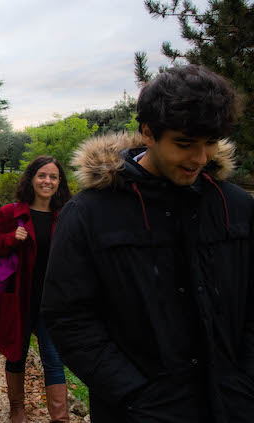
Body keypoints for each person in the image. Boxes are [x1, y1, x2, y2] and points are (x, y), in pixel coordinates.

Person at [41, 65, 254, 422]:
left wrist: (245, 381)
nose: (200, 159)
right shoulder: (89, 214)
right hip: (137, 412)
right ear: (148, 133)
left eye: (210, 143)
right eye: (185, 144)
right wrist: (133, 394)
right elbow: (68, 317)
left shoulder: (237, 206)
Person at [0, 156, 72, 423]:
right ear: (31, 178)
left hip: (52, 301)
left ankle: (60, 417)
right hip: (19, 298)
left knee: (54, 359)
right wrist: (11, 238)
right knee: (16, 354)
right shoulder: (12, 213)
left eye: (53, 177)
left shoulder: (66, 212)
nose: (47, 181)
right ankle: (17, 408)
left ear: (59, 183)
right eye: (42, 175)